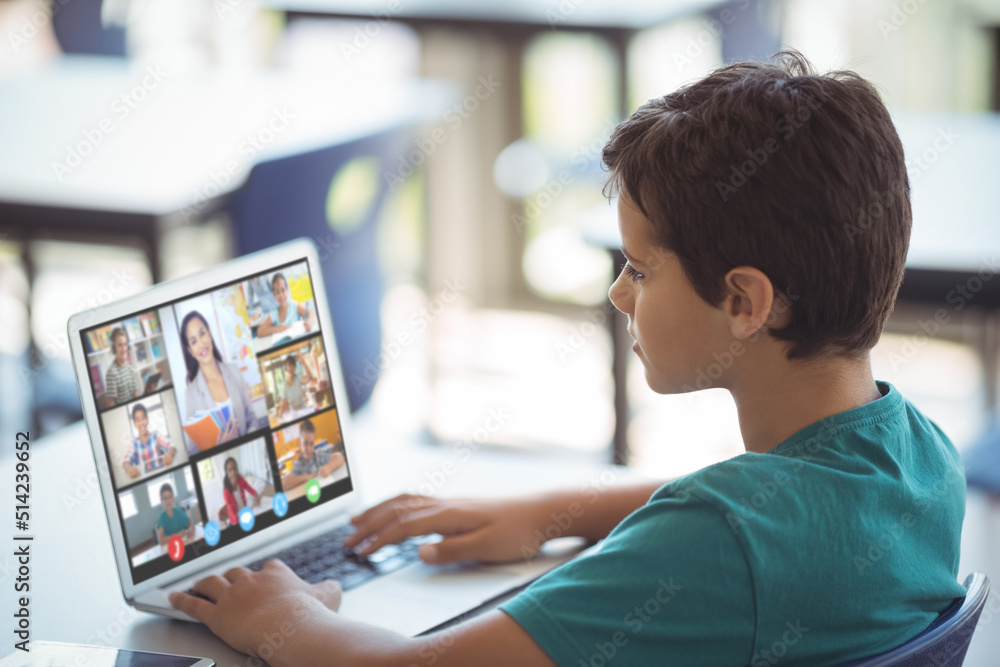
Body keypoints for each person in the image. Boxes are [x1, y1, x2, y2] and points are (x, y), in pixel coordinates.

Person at [169, 51, 967, 666]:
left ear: (744, 303)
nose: (621, 294)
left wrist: (281, 618)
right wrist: (546, 510)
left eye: (642, 269)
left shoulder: (713, 547)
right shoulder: (920, 455)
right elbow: (750, 512)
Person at [181, 310, 264, 444]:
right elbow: (194, 447)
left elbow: (252, 417)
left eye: (202, 334)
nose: (201, 344)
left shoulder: (234, 371)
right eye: (194, 341)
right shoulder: (191, 394)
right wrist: (218, 446)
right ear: (190, 351)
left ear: (209, 333)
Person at [281, 419, 345, 491]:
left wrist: (329, 467)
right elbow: (284, 485)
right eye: (305, 443)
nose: (309, 448)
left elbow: (340, 458)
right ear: (300, 443)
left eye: (311, 444)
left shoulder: (318, 456)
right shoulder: (299, 463)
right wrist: (306, 477)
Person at [122, 403, 176, 479]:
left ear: (147, 420)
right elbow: (126, 461)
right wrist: (129, 469)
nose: (141, 423)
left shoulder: (156, 435)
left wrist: (170, 455)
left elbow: (171, 445)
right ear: (134, 424)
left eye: (143, 418)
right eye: (137, 420)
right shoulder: (134, 443)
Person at [256, 272, 316, 338]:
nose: (281, 295)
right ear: (274, 294)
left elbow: (311, 314)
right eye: (277, 292)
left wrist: (310, 323)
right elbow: (259, 332)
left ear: (287, 289)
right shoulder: (274, 314)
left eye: (283, 290)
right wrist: (278, 328)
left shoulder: (294, 305)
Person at [103, 327, 141, 408]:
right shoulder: (111, 373)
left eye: (125, 344)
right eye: (120, 345)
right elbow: (111, 406)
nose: (124, 349)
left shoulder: (130, 369)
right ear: (114, 348)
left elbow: (135, 393)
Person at [222, 456, 261, 525]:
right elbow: (232, 512)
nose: (233, 472)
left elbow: (250, 489)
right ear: (227, 473)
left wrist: (256, 497)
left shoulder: (241, 479)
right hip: (235, 521)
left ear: (237, 469)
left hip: (244, 512)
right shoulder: (226, 492)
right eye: (230, 470)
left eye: (234, 468)